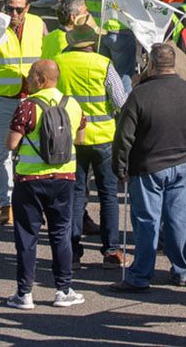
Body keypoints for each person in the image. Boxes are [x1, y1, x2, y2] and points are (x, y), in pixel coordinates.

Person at [113, 41, 186, 294]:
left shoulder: (140, 95)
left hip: (148, 167)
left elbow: (124, 137)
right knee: (179, 220)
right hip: (182, 164)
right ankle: (183, 270)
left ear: (151, 64)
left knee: (147, 221)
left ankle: (141, 275)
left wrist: (121, 167)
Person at [6, 58, 85, 309]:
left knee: (27, 236)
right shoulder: (72, 104)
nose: (27, 78)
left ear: (41, 79)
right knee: (60, 234)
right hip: (64, 178)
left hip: (29, 180)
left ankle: (24, 293)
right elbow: (81, 138)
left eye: (31, 75)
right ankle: (63, 290)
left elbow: (11, 143)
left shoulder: (28, 106)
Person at [56, 24, 126, 269]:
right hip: (104, 137)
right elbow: (120, 101)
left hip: (72, 137)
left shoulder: (58, 62)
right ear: (92, 43)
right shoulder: (103, 64)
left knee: (75, 195)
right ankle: (111, 251)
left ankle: (73, 252)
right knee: (108, 194)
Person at [0, 0, 46, 226]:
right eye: (9, 8)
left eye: (19, 9)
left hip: (32, 99)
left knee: (34, 152)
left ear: (27, 8)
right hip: (2, 99)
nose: (14, 13)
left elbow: (47, 56)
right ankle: (6, 205)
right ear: (3, 7)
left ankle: (33, 204)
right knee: (2, 153)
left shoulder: (38, 24)